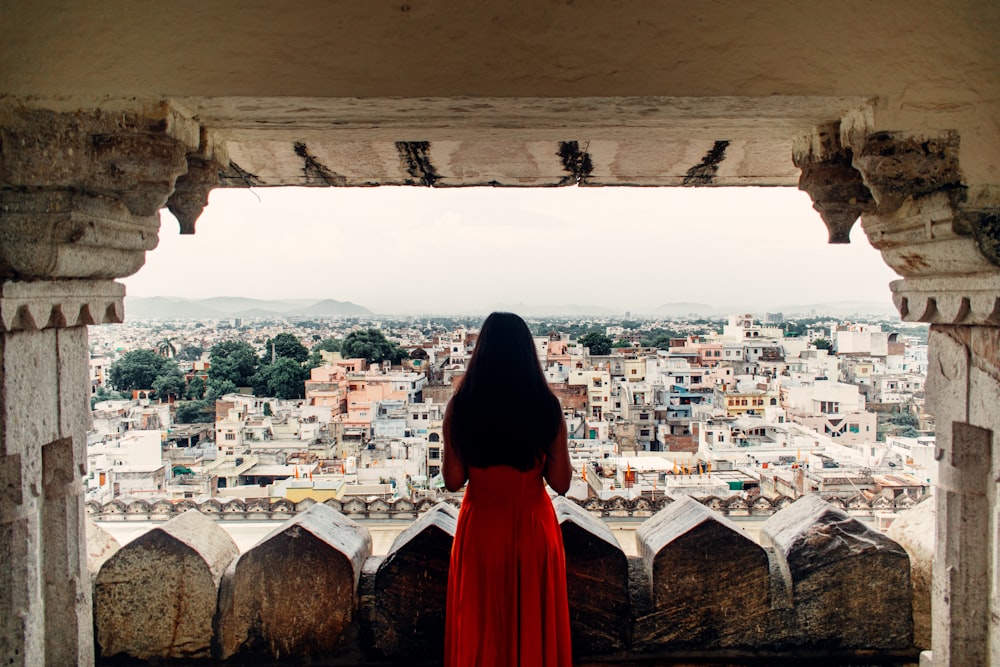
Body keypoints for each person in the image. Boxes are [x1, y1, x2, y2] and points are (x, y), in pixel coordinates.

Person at [443, 312, 573, 667]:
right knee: (531, 627)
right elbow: (561, 483)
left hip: (481, 529)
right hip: (531, 527)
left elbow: (453, 481)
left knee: (481, 629)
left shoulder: (460, 407)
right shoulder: (546, 407)